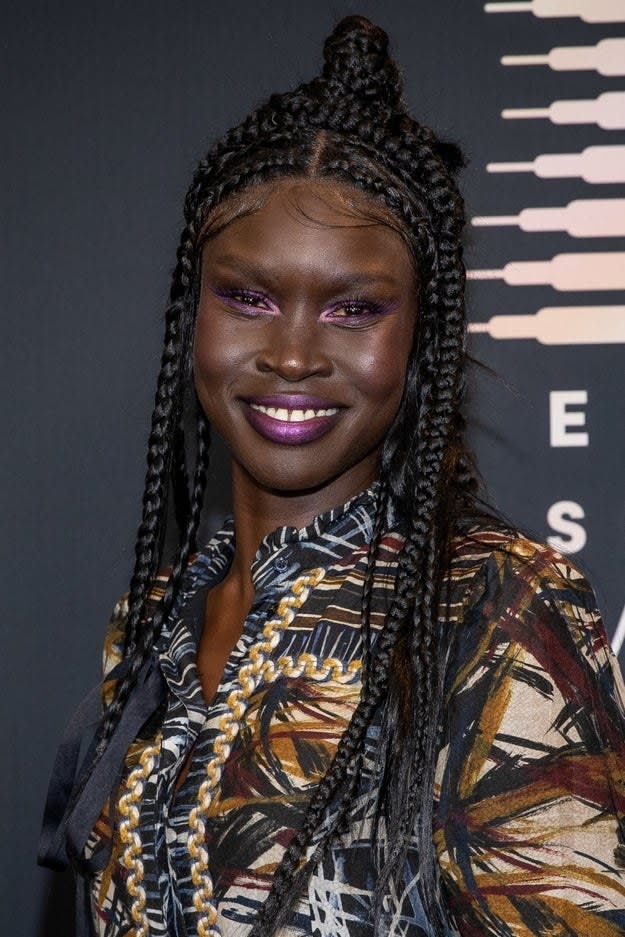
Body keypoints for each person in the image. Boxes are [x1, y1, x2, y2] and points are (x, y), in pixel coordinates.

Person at [39, 15, 625, 937]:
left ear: (418, 339)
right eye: (248, 297)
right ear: (192, 312)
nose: (292, 353)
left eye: (354, 307)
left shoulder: (494, 605)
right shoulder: (150, 621)